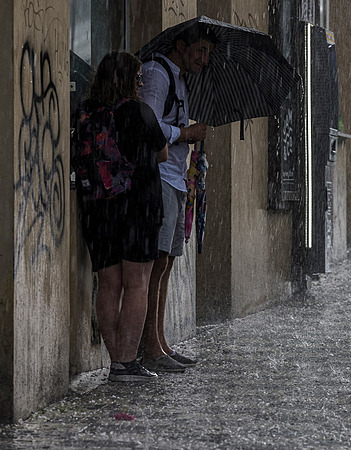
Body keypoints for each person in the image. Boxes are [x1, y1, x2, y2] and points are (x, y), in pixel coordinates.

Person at [73, 51, 168, 382]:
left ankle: (117, 362)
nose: (141, 84)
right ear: (131, 81)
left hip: (97, 209)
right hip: (138, 207)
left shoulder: (86, 112)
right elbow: (163, 152)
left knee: (108, 284)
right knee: (137, 283)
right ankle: (127, 362)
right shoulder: (139, 112)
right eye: (139, 78)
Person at [139, 27, 215, 372]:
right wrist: (185, 133)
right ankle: (150, 346)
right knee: (156, 262)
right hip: (158, 180)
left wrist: (189, 136)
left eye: (208, 53)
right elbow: (147, 124)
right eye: (199, 50)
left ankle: (160, 341)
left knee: (166, 262)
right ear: (181, 46)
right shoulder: (157, 74)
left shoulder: (180, 79)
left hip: (176, 180)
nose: (203, 59)